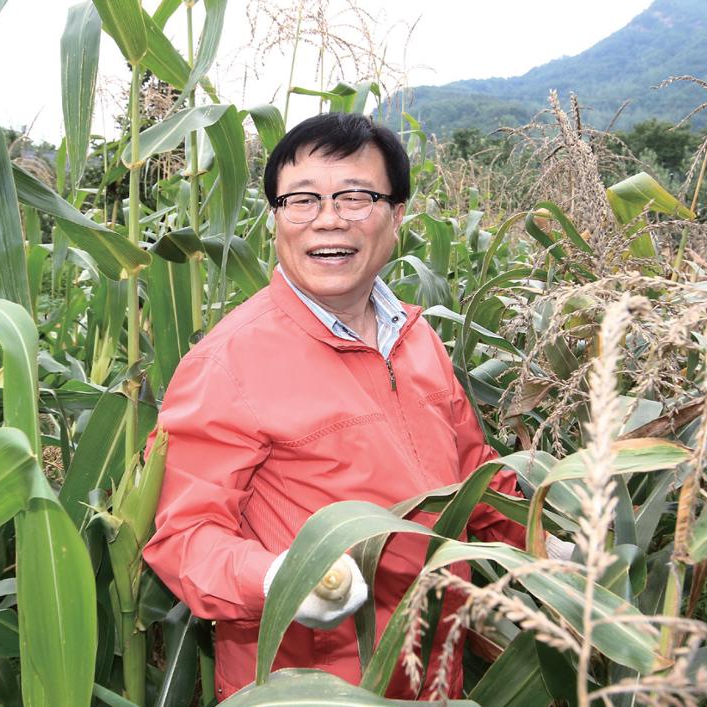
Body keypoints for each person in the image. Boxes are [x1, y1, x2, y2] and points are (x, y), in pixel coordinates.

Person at [142, 113, 527, 701]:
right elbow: (185, 535)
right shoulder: (229, 362)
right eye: (302, 200)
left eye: (355, 197)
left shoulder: (415, 337)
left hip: (432, 668)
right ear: (276, 218)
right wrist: (281, 578)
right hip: (314, 686)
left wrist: (544, 534)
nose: (328, 219)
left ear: (397, 215)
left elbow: (473, 473)